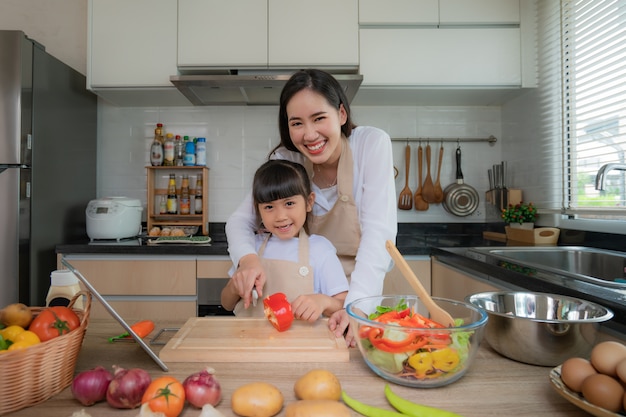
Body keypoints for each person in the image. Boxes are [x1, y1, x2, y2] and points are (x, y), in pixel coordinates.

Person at [226, 69, 397, 345]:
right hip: (303, 306)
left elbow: (378, 233)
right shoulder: (287, 157)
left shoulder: (371, 144)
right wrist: (248, 260)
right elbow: (239, 221)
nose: (309, 135)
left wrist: (356, 308)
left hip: (359, 291)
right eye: (297, 123)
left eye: (319, 118)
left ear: (341, 115)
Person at [221, 159, 349, 320]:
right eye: (269, 207)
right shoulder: (251, 247)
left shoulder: (320, 249)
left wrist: (323, 302)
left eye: (289, 203)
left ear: (309, 202)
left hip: (301, 344)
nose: (280, 216)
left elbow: (344, 303)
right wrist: (235, 287)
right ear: (257, 209)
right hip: (250, 342)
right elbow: (226, 303)